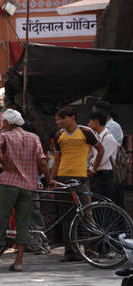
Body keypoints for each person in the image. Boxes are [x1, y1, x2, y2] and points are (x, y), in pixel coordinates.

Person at [0, 109, 52, 273]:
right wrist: (49, 181)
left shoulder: (5, 136)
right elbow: (42, 161)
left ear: (9, 123)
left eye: (4, 122)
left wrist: (5, 163)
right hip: (28, 186)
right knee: (23, 223)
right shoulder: (33, 138)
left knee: (1, 221)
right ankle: (19, 262)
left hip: (9, 184)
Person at [52, 105, 104, 262]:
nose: (60, 122)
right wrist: (51, 178)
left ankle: (91, 250)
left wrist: (94, 169)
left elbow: (100, 150)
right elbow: (57, 159)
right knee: (66, 216)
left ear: (73, 117)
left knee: (87, 214)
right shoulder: (58, 135)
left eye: (63, 118)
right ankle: (70, 252)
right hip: (62, 177)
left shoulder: (86, 132)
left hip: (80, 177)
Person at [93, 101, 125, 208]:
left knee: (112, 200)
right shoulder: (101, 129)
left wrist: (92, 166)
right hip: (101, 168)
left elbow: (105, 151)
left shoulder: (113, 127)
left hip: (110, 168)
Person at [87, 110, 117, 201]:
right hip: (96, 173)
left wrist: (91, 164)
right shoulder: (96, 136)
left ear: (96, 122)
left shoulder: (108, 138)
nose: (88, 124)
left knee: (104, 204)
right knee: (96, 204)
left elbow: (102, 159)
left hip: (105, 175)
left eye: (90, 121)